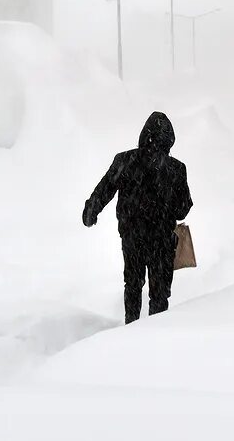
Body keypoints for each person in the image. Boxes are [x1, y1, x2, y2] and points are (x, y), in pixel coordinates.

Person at [82, 112, 193, 324]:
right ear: (170, 139)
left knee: (133, 285)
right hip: (162, 242)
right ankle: (155, 333)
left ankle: (130, 328)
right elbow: (182, 210)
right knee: (159, 293)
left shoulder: (125, 160)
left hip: (132, 238)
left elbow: (104, 190)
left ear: (144, 135)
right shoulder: (176, 169)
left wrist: (91, 210)